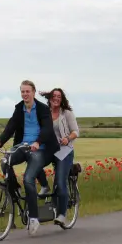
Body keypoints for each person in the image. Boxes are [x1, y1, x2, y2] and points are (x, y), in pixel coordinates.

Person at [0, 79, 60, 236]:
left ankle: (34, 217)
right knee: (5, 161)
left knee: (28, 179)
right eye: (22, 91)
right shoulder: (19, 108)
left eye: (27, 91)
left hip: (41, 149)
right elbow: (11, 126)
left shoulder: (43, 109)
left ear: (33, 92)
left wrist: (38, 142)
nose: (24, 94)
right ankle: (13, 188)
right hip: (23, 146)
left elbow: (47, 129)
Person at [36, 87, 79, 225]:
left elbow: (76, 132)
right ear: (49, 98)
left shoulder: (66, 113)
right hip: (50, 150)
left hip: (64, 150)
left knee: (60, 182)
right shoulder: (45, 113)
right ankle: (45, 187)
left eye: (59, 96)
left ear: (62, 99)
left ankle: (62, 214)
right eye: (54, 96)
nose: (56, 98)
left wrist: (67, 138)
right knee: (34, 164)